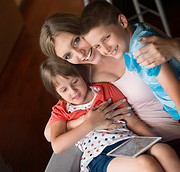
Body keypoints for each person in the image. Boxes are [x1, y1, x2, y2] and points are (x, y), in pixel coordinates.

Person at [40, 12, 180, 143]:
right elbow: (49, 133)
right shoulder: (80, 79)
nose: (80, 53)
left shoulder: (125, 38)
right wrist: (87, 120)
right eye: (68, 55)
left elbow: (174, 58)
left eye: (76, 40)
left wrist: (174, 46)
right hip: (155, 143)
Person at [40, 57, 180, 172]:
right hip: (99, 157)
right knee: (146, 164)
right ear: (57, 93)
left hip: (128, 142)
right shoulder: (61, 110)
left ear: (81, 76)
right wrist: (91, 123)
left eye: (75, 81)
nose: (73, 91)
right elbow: (57, 146)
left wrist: (152, 140)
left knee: (163, 150)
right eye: (64, 89)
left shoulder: (104, 89)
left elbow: (132, 121)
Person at [80, 0, 180, 121]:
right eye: (97, 46)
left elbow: (175, 91)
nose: (106, 49)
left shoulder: (142, 48)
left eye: (106, 37)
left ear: (122, 21)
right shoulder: (133, 36)